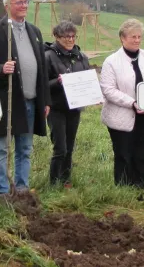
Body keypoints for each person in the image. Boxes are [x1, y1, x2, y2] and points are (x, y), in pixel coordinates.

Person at [0, 0, 51, 194]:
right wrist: (1, 68)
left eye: (25, 1)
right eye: (19, 2)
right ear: (7, 6)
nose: (24, 5)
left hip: (31, 101)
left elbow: (43, 68)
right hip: (8, 101)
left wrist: (45, 101)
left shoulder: (35, 31)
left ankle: (22, 189)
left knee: (25, 148)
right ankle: (3, 191)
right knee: (3, 148)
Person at [100, 19, 144, 188]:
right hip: (121, 117)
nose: (137, 40)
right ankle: (123, 188)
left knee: (140, 154)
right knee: (123, 154)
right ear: (122, 38)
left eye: (139, 36)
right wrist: (132, 103)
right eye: (133, 36)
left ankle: (140, 185)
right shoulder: (111, 61)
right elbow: (108, 90)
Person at [44, 21, 91, 187]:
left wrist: (93, 95)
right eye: (66, 37)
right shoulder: (48, 56)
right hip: (56, 107)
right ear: (56, 37)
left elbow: (88, 80)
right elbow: (42, 84)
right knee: (60, 148)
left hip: (74, 108)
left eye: (73, 36)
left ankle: (65, 180)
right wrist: (57, 82)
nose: (70, 40)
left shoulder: (81, 56)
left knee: (70, 147)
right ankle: (53, 182)